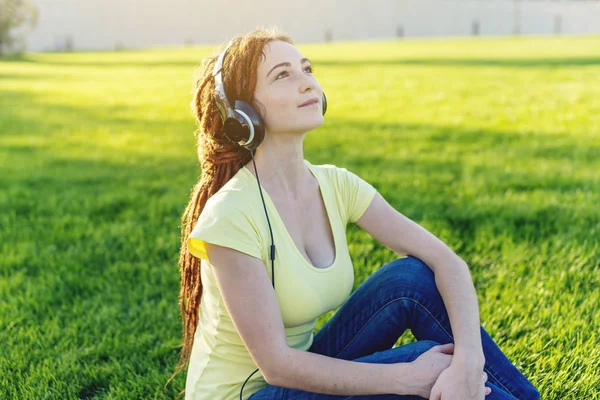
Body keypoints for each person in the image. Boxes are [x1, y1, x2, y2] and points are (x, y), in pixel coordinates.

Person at [169, 27, 541, 400]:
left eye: (307, 69)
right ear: (242, 113)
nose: (306, 84)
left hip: (302, 372)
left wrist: (469, 361)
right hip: (249, 393)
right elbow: (276, 365)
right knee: (426, 363)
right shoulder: (231, 214)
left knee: (410, 278)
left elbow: (448, 262)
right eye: (282, 75)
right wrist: (407, 377)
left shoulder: (336, 185)